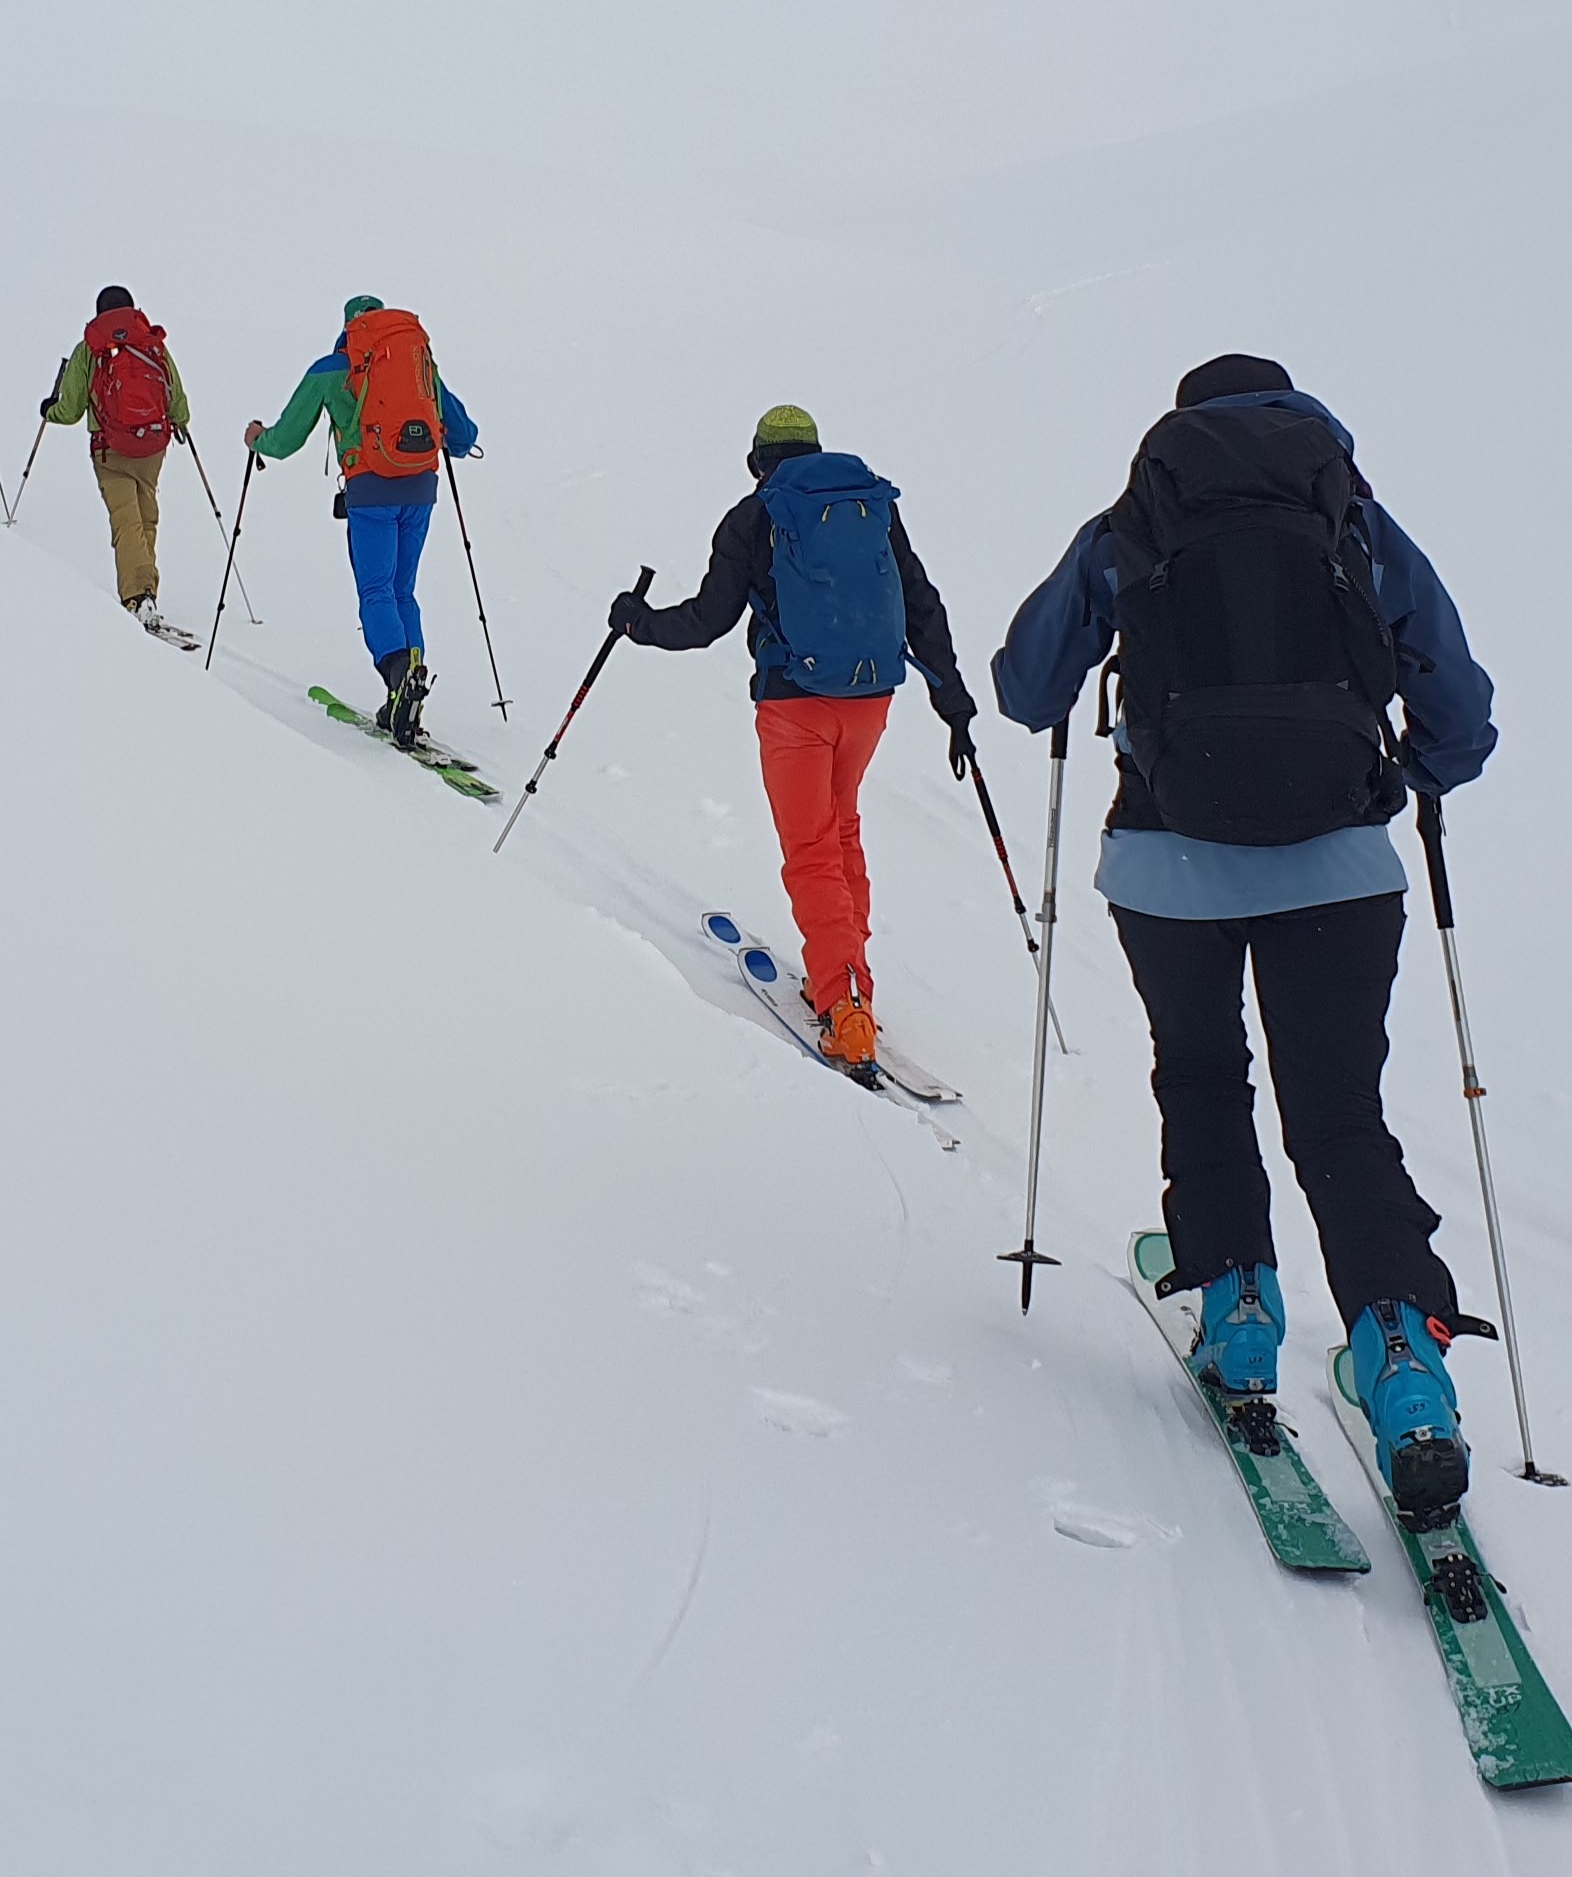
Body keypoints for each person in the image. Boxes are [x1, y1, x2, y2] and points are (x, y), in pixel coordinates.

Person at [990, 353, 1499, 1523]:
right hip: (1341, 872)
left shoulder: (1134, 521)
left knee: (1206, 1081)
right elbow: (1459, 708)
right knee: (1340, 1113)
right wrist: (1393, 782)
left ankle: (1242, 1317)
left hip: (1169, 864)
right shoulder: (1355, 521)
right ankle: (1408, 1374)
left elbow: (1028, 686)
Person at [607, 406, 977, 1076]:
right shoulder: (871, 508)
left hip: (795, 703)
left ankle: (845, 1008)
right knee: (840, 832)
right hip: (869, 700)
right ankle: (847, 979)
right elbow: (921, 601)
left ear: (758, 462)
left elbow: (707, 620)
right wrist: (950, 692)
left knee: (810, 850)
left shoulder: (755, 517)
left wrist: (638, 625)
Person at [242, 296, 478, 747]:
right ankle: (409, 690)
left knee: (375, 590)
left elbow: (287, 438)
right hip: (421, 490)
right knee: (402, 590)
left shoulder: (333, 369)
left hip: (370, 494)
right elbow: (464, 435)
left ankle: (398, 677)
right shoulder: (417, 367)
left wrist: (258, 440)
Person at [41, 285, 195, 636]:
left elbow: (72, 409)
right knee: (146, 517)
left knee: (126, 521)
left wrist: (48, 411)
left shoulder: (90, 349)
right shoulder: (150, 342)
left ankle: (138, 597)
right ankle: (145, 588)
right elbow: (177, 396)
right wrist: (180, 421)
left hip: (111, 449)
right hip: (153, 447)